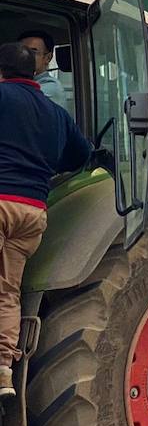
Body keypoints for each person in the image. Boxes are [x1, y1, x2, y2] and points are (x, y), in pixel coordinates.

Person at [0, 43, 92, 397]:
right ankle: (3, 371)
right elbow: (81, 156)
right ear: (35, 72)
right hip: (33, 212)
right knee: (7, 292)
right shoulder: (56, 114)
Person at [16, 30, 64, 108]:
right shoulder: (19, 82)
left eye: (33, 52)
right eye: (21, 52)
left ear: (48, 58)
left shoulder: (50, 87)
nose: (24, 56)